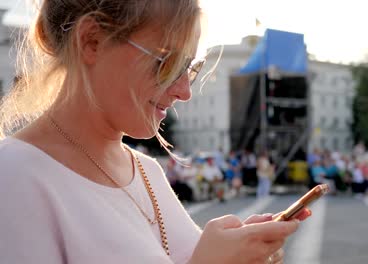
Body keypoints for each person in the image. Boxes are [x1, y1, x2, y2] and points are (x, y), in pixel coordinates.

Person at [0, 1, 311, 263]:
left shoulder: (147, 171)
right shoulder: (14, 174)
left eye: (191, 66)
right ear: (91, 41)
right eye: (168, 62)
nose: (185, 90)